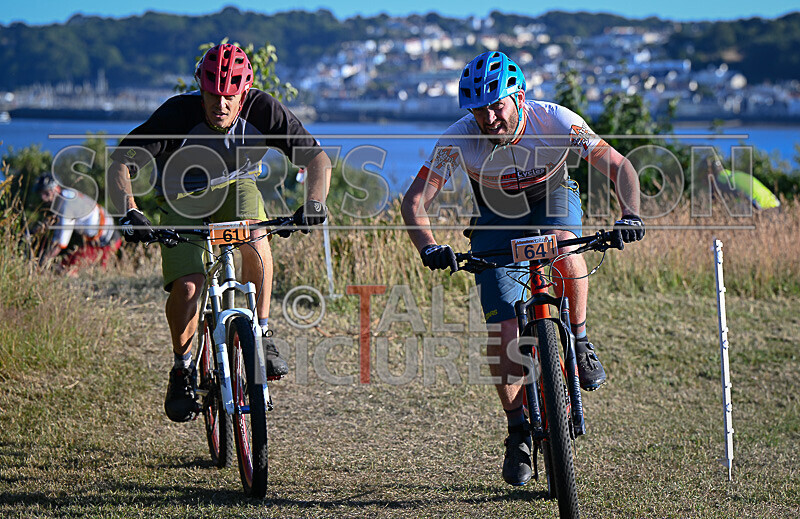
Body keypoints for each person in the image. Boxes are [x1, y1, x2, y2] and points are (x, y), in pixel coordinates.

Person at [401, 51, 644, 486]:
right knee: (505, 335)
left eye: (497, 105)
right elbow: (415, 201)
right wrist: (430, 247)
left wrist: (629, 213)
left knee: (567, 250)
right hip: (495, 217)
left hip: (552, 200)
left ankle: (581, 341)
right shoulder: (459, 138)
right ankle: (517, 431)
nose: (489, 118)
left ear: (520, 98)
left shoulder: (554, 120)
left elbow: (619, 165)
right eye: (479, 110)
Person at [107, 44, 331, 423]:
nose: (221, 103)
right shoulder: (178, 113)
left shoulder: (263, 109)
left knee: (256, 240)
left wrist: (314, 203)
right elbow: (120, 162)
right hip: (180, 196)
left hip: (237, 185)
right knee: (190, 287)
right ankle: (182, 369)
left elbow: (316, 158)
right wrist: (128, 211)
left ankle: (260, 333)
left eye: (231, 94)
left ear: (245, 91)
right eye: (213, 93)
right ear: (201, 87)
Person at [35, 173, 122, 273]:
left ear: (57, 188)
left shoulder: (66, 207)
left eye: (46, 193)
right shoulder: (67, 194)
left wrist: (43, 261)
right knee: (65, 265)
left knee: (67, 269)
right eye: (41, 193)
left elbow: (61, 242)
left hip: (106, 243)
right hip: (99, 240)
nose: (43, 198)